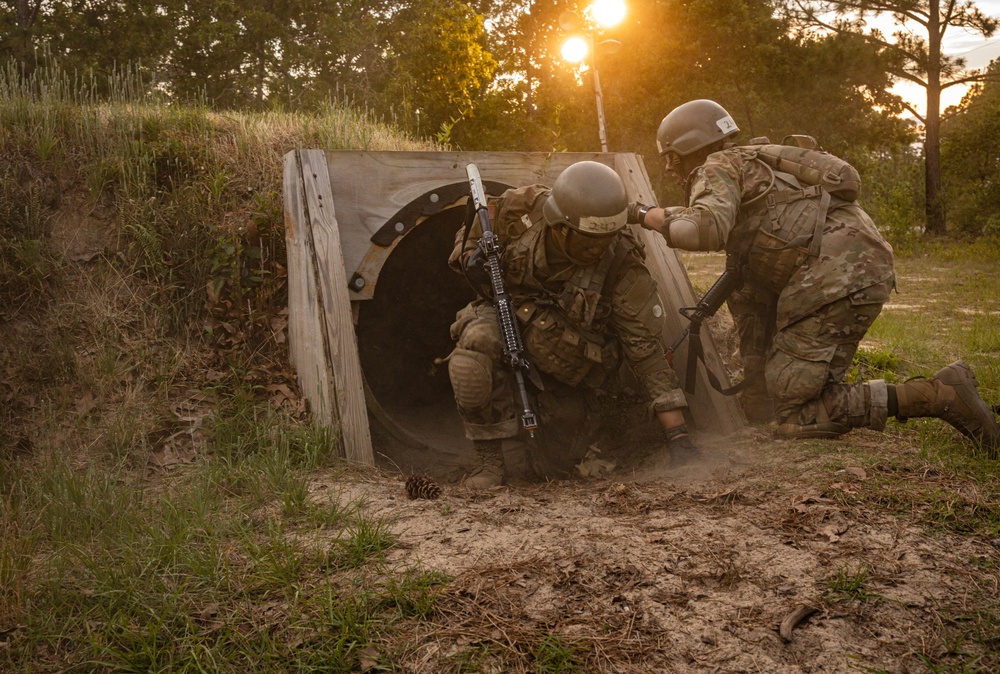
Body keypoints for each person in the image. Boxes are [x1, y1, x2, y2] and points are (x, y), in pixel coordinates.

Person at [627, 98, 999, 450]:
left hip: (835, 280)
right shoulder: (755, 166)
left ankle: (940, 395)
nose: (668, 168)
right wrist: (756, 393)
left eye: (671, 158)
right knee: (783, 397)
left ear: (692, 148)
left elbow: (700, 230)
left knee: (796, 415)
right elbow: (752, 293)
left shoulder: (717, 165)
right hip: (854, 272)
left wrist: (645, 214)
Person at [447, 160, 693, 488]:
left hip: (566, 364)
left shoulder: (622, 267)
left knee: (552, 467)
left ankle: (530, 442)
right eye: (587, 239)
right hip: (505, 317)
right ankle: (488, 463)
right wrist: (469, 259)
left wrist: (678, 438)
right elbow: (470, 233)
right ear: (559, 225)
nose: (598, 247)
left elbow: (646, 353)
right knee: (474, 351)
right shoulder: (518, 210)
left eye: (605, 238)